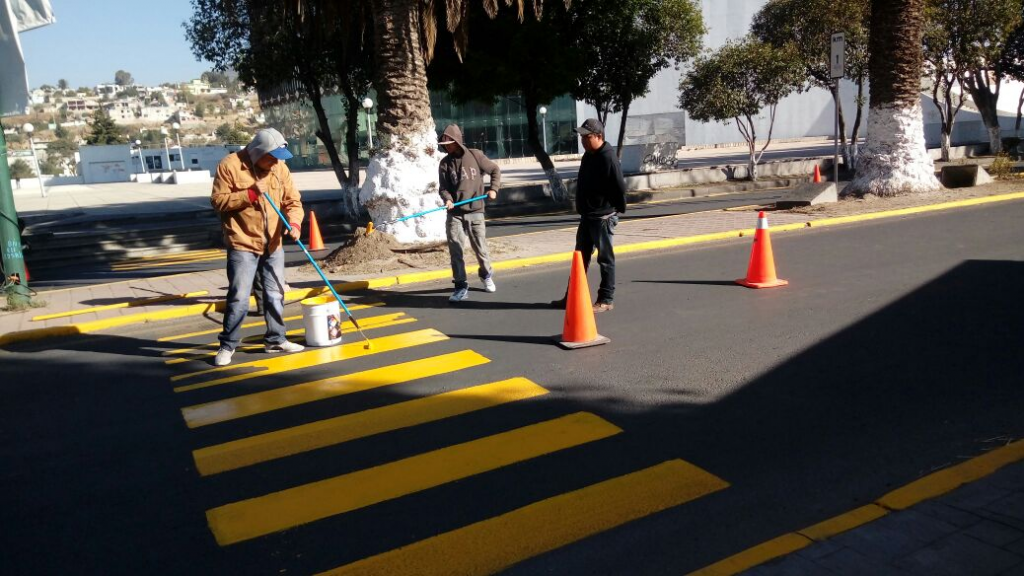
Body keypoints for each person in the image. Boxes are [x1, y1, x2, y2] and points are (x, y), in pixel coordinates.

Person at [211, 128, 305, 366]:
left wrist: (294, 222)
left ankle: (276, 339)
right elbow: (218, 201)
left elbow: (293, 201)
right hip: (242, 243)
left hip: (273, 244)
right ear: (257, 153)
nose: (275, 163)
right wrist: (250, 193)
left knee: (275, 294)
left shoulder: (279, 168)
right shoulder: (230, 166)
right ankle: (227, 345)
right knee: (240, 298)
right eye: (271, 157)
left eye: (279, 158)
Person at [552, 118, 626, 313]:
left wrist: (614, 210)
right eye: (582, 137)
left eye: (587, 137)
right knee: (580, 258)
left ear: (599, 136)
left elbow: (619, 187)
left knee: (605, 259)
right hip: (587, 216)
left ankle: (606, 299)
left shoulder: (608, 157)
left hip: (602, 218)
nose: (583, 141)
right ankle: (572, 297)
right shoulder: (589, 156)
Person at [438, 124, 502, 303]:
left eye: (451, 143)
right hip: (455, 213)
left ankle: (485, 274)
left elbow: (495, 170)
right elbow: (443, 188)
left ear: (458, 141)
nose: (448, 147)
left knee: (480, 249)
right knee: (456, 251)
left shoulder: (475, 155)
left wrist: (494, 189)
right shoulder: (445, 164)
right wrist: (448, 199)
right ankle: (460, 286)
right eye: (445, 144)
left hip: (475, 210)